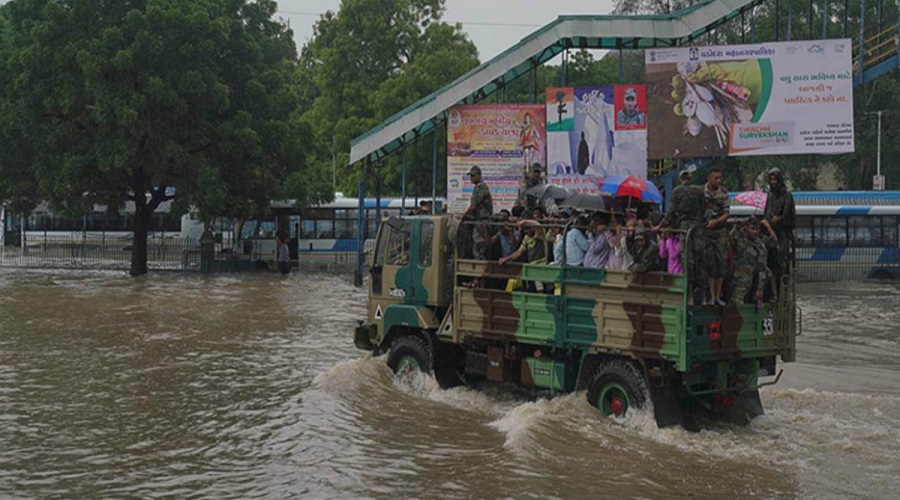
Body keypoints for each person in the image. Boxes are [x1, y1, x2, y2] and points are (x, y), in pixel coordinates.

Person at [763, 167, 796, 291]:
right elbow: (766, 212)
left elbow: (789, 216)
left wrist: (779, 219)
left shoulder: (787, 196)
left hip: (782, 233)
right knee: (769, 262)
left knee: (782, 263)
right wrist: (768, 220)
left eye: (775, 179)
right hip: (770, 232)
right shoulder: (770, 195)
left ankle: (783, 289)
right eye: (771, 179)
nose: (773, 182)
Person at [702, 167, 730, 305]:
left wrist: (716, 222)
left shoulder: (723, 193)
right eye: (715, 178)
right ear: (709, 178)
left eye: (720, 178)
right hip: (706, 232)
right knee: (710, 263)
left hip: (719, 231)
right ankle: (711, 296)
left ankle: (718, 296)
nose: (718, 180)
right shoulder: (702, 191)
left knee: (721, 263)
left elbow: (726, 213)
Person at [731, 217, 769, 305]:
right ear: (746, 228)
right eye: (752, 229)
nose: (754, 232)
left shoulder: (760, 246)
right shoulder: (740, 237)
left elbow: (762, 268)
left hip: (749, 280)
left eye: (757, 229)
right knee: (734, 302)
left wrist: (759, 288)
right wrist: (737, 226)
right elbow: (731, 238)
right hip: (736, 279)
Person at [462, 165, 493, 262]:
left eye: (473, 176)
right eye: (470, 176)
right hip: (480, 220)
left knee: (478, 248)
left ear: (479, 175)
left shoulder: (480, 187)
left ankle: (480, 273)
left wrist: (464, 216)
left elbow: (473, 206)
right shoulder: (479, 186)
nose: (471, 178)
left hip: (481, 222)